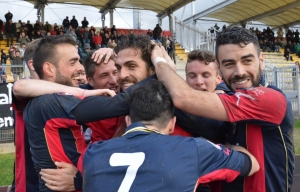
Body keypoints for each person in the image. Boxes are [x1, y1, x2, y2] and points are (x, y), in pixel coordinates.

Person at [154, 26, 294, 192]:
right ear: (220, 69)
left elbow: (184, 98)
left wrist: (159, 62)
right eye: (229, 64)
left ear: (261, 61)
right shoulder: (226, 99)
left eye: (247, 61)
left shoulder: (272, 99)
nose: (239, 72)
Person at [82, 80, 259, 191]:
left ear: (128, 121)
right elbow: (251, 164)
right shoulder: (195, 149)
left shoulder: (92, 153)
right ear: (172, 124)